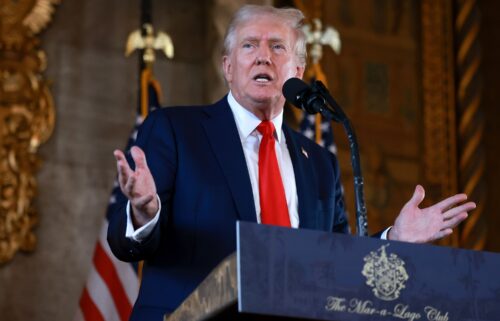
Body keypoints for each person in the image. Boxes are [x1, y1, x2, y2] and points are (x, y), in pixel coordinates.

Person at [108, 5, 476, 321]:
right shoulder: (176, 130)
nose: (263, 56)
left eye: (277, 47)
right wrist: (144, 211)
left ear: (297, 73)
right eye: (249, 45)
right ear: (228, 67)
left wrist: (394, 240)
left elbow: (339, 265)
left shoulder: (319, 164)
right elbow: (127, 246)